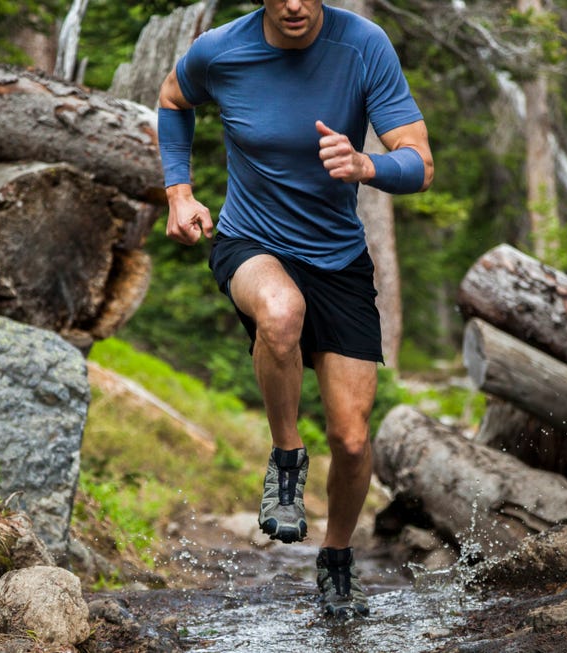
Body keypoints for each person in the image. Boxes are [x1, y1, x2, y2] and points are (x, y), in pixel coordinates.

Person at [157, 0, 433, 618]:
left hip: (337, 259)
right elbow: (173, 99)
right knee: (280, 313)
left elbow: (420, 162)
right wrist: (179, 192)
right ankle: (286, 461)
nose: (293, 6)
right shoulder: (220, 50)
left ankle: (336, 559)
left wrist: (368, 165)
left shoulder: (363, 45)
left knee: (354, 439)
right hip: (251, 241)